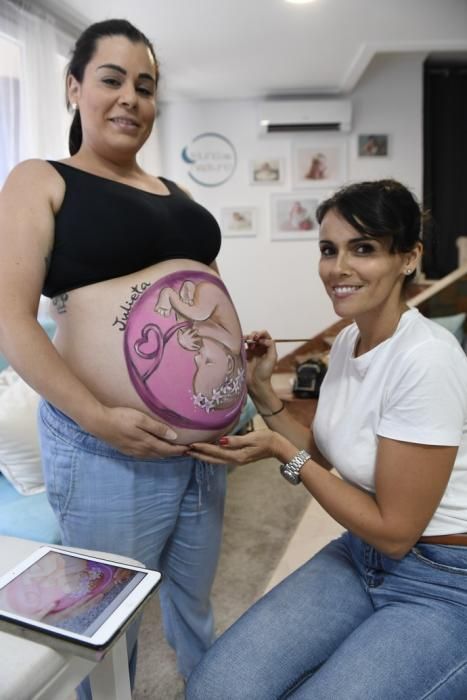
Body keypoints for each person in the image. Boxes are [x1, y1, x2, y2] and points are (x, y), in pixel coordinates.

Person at [0, 18, 246, 698]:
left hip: (203, 451)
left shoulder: (177, 192)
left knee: (194, 606)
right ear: (75, 86)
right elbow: (11, 322)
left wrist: (237, 363)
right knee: (106, 628)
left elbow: (202, 290)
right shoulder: (40, 179)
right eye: (111, 80)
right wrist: (101, 417)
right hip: (107, 449)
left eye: (145, 85)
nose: (130, 98)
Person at [186, 179, 467, 700]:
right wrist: (262, 390)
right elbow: (320, 449)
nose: (338, 267)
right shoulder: (348, 343)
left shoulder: (426, 359)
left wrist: (280, 451)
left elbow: (396, 531)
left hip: (445, 583)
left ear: (408, 258)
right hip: (362, 556)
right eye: (328, 250)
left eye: (364, 248)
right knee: (217, 688)